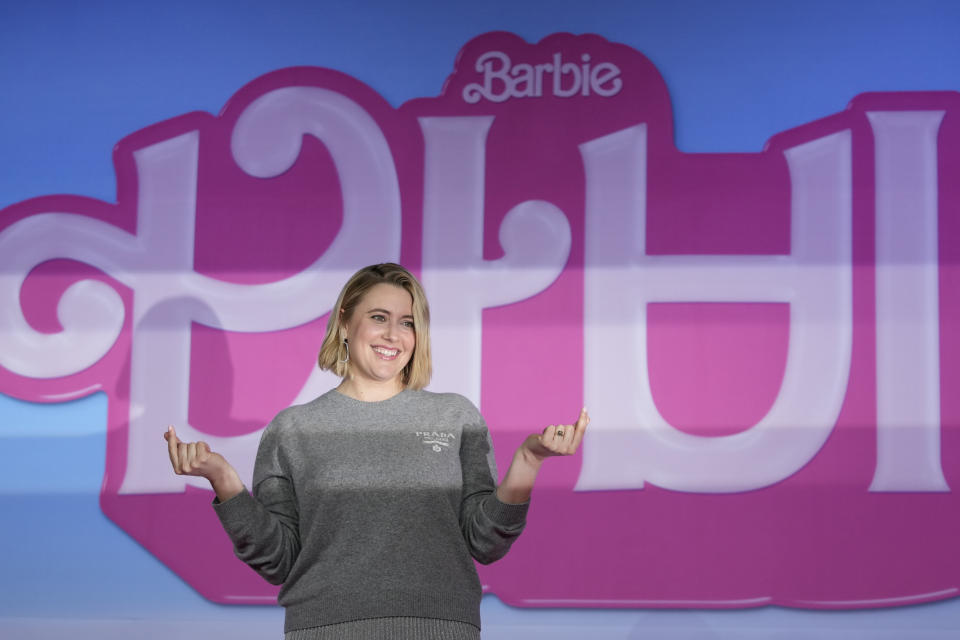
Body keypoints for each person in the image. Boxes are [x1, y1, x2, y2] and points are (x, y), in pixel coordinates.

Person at [164, 263, 589, 639]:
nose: (393, 335)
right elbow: (279, 560)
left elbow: (484, 542)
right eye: (379, 317)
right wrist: (224, 480)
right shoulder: (293, 429)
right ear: (346, 322)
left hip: (440, 629)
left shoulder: (454, 416)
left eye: (407, 322)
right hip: (325, 630)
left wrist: (529, 461)